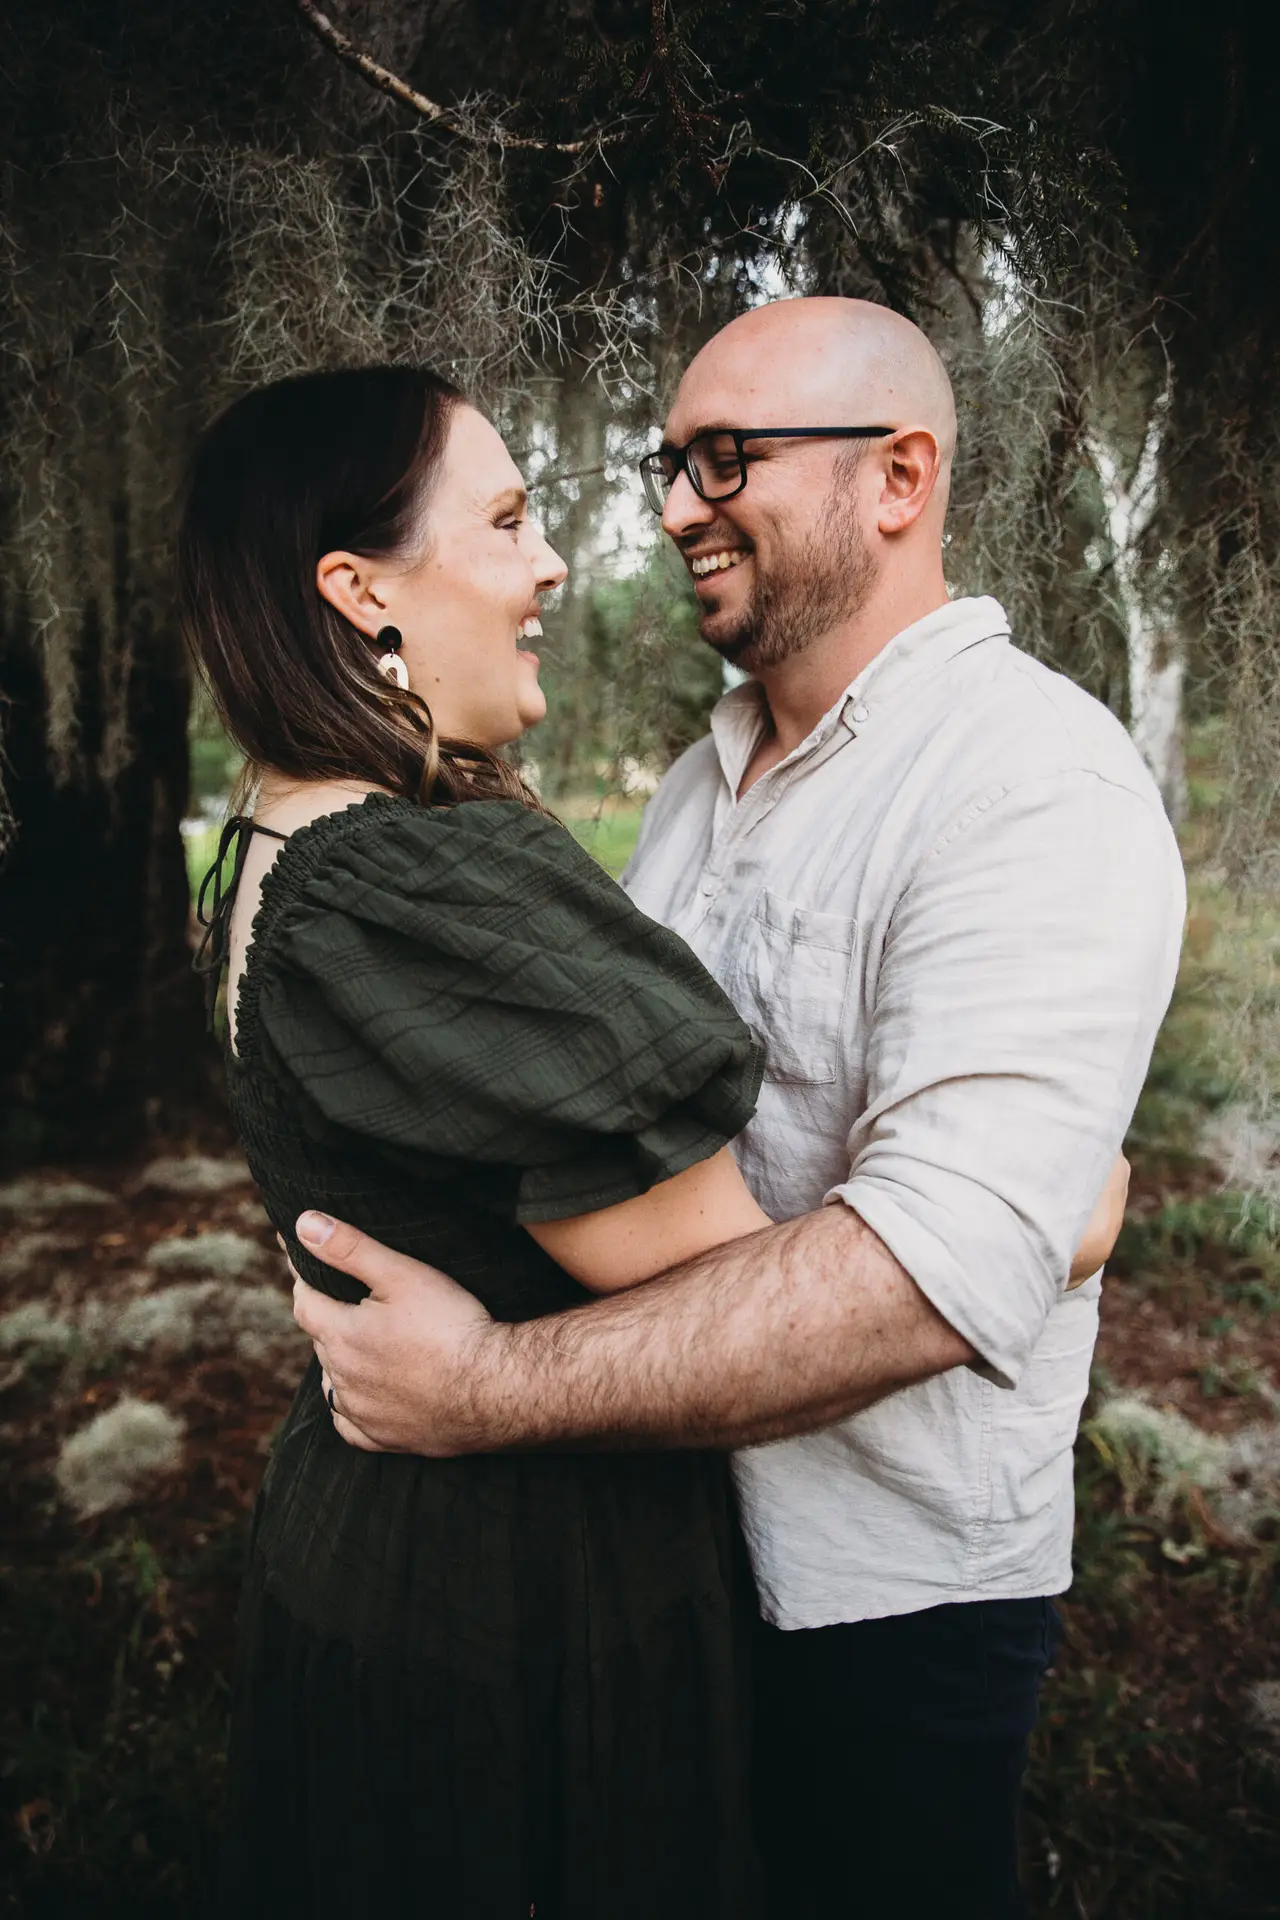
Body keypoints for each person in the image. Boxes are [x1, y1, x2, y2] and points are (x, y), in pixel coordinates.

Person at [289, 299, 1187, 1919]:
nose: (677, 506)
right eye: (670, 462)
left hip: (881, 1603)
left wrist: (485, 1386)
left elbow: (927, 1275)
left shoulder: (1028, 782)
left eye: (728, 459)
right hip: (652, 1562)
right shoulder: (703, 781)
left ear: (899, 478)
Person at [182, 364, 788, 1919]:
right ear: (358, 591)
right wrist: (1046, 1214)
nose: (552, 563)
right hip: (517, 1604)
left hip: (389, 1550)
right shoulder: (400, 884)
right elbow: (730, 1279)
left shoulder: (282, 828)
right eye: (509, 521)